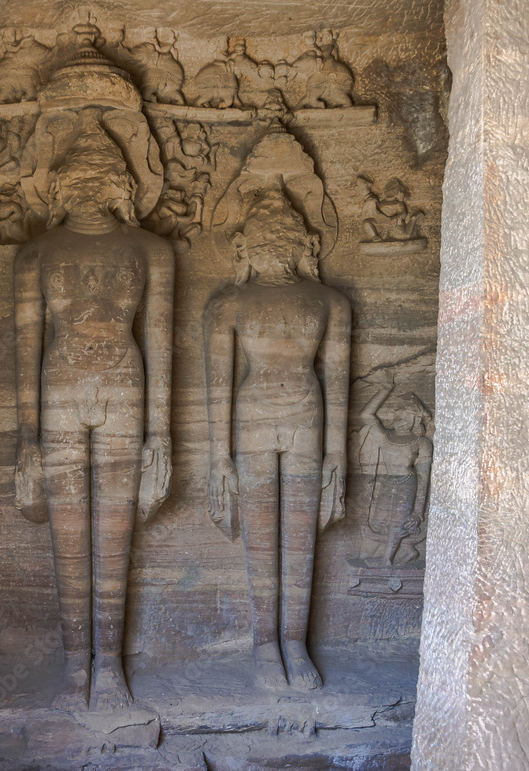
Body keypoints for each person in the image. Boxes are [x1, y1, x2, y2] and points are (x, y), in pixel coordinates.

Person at [13, 117, 174, 712]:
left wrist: (161, 433)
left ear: (122, 183)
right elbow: (26, 349)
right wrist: (27, 437)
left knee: (114, 530)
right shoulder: (36, 254)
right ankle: (72, 665)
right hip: (59, 385)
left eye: (99, 175)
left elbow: (159, 342)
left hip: (124, 385)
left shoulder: (149, 250)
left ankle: (109, 665)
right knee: (66, 533)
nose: (87, 186)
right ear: (57, 185)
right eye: (75, 177)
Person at [204, 192, 350, 690]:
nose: (275, 245)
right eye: (265, 237)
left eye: (283, 236)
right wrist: (218, 456)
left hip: (308, 414)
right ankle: (266, 642)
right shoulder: (230, 303)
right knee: (261, 534)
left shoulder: (330, 303)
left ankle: (295, 641)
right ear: (244, 246)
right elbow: (217, 384)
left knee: (301, 536)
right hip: (253, 414)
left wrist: (337, 455)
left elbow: (338, 380)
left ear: (305, 244)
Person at [354, 369, 432, 565]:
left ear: (415, 420)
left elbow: (423, 479)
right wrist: (385, 389)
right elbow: (366, 414)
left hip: (407, 484)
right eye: (397, 414)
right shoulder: (385, 437)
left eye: (406, 416)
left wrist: (418, 511)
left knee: (398, 524)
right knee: (379, 524)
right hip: (387, 482)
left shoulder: (421, 443)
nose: (400, 418)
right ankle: (406, 551)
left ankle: (386, 562)